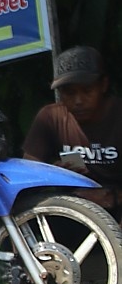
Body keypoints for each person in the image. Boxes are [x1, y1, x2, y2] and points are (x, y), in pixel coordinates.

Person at [22, 45, 122, 214]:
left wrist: (112, 197)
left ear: (103, 85)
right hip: (75, 209)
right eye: (69, 93)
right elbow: (28, 175)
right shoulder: (51, 117)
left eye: (87, 91)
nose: (78, 101)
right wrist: (55, 174)